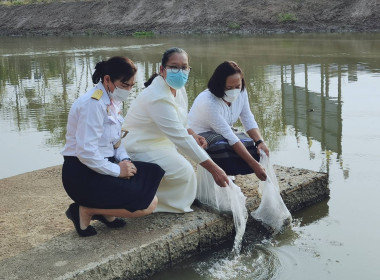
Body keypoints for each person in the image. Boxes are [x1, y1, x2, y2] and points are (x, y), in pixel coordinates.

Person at [61, 56, 165, 237]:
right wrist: (118, 170)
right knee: (149, 204)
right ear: (107, 79)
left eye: (132, 85)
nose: (128, 90)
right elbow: (85, 153)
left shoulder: (113, 100)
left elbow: (116, 142)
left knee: (153, 172)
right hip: (82, 173)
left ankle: (106, 211)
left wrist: (124, 160)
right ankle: (86, 210)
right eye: (125, 85)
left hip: (102, 165)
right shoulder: (92, 104)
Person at [122, 47, 229, 213]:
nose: (180, 72)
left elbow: (180, 121)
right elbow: (179, 137)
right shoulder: (157, 97)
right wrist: (214, 169)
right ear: (162, 70)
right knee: (184, 172)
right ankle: (145, 198)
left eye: (184, 67)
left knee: (186, 174)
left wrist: (193, 134)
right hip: (139, 147)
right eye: (174, 67)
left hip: (161, 144)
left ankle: (161, 197)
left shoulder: (178, 89)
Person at [188, 61, 267, 181]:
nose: (234, 91)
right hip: (200, 135)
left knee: (251, 146)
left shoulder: (242, 93)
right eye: (229, 88)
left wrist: (260, 141)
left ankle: (230, 171)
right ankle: (221, 172)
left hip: (223, 132)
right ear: (219, 85)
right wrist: (254, 165)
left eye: (237, 86)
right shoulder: (209, 102)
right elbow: (230, 136)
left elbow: (247, 117)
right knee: (222, 147)